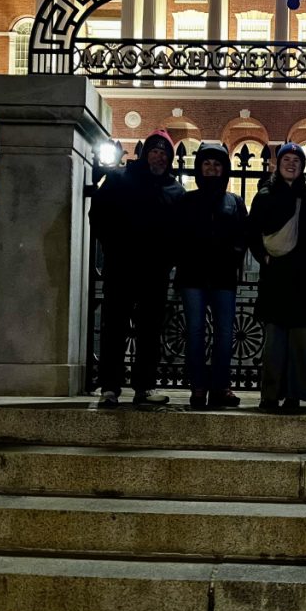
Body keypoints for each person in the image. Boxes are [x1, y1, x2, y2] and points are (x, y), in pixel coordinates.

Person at [88, 128, 184, 407]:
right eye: (155, 151)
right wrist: (111, 248)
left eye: (164, 153)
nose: (159, 157)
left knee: (150, 330)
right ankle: (110, 387)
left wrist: (169, 260)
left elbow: (179, 232)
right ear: (145, 154)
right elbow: (99, 215)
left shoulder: (175, 190)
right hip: (121, 266)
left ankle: (144, 387)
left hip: (155, 272)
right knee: (114, 327)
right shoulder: (119, 179)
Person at [249, 142, 306, 412]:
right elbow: (252, 232)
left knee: (300, 344)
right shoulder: (265, 195)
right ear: (277, 164)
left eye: (296, 160)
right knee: (274, 343)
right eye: (286, 159)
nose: (291, 164)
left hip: (304, 280)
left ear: (303, 166)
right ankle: (270, 394)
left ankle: (294, 395)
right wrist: (264, 257)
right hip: (276, 279)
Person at [174, 143, 249, 409]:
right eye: (207, 164)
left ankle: (220, 387)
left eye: (217, 164)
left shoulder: (234, 201)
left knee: (224, 333)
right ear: (199, 167)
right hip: (192, 276)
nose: (212, 168)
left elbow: (244, 235)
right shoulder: (186, 199)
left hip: (223, 277)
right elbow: (177, 236)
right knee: (195, 332)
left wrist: (233, 255)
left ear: (224, 169)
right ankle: (198, 387)